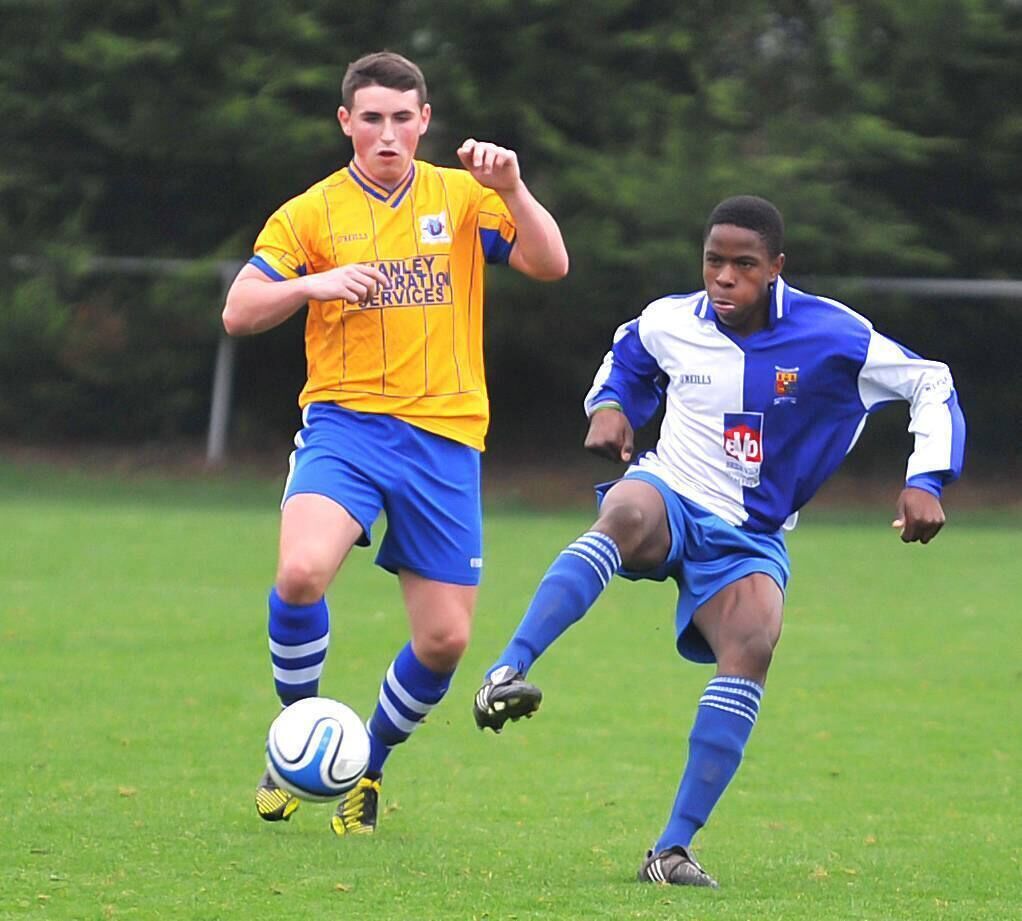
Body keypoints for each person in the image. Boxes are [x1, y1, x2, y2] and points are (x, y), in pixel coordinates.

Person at [472, 195, 964, 886]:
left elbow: (929, 382)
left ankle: (669, 850)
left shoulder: (834, 336)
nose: (724, 278)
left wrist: (928, 480)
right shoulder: (672, 320)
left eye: (743, 265)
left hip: (750, 537)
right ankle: (508, 668)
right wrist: (611, 408)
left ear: (776, 269)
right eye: (713, 262)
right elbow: (628, 355)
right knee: (625, 511)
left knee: (755, 641)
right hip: (671, 491)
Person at [222, 50, 569, 836]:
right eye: (370, 118)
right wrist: (310, 285)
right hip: (346, 425)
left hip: (445, 438)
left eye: (401, 118)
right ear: (346, 122)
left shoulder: (464, 195)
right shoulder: (310, 213)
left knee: (444, 639)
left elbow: (552, 264)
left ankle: (365, 764)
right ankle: (297, 741)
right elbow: (239, 311)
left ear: (424, 121)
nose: (387, 133)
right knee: (303, 571)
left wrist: (511, 186)